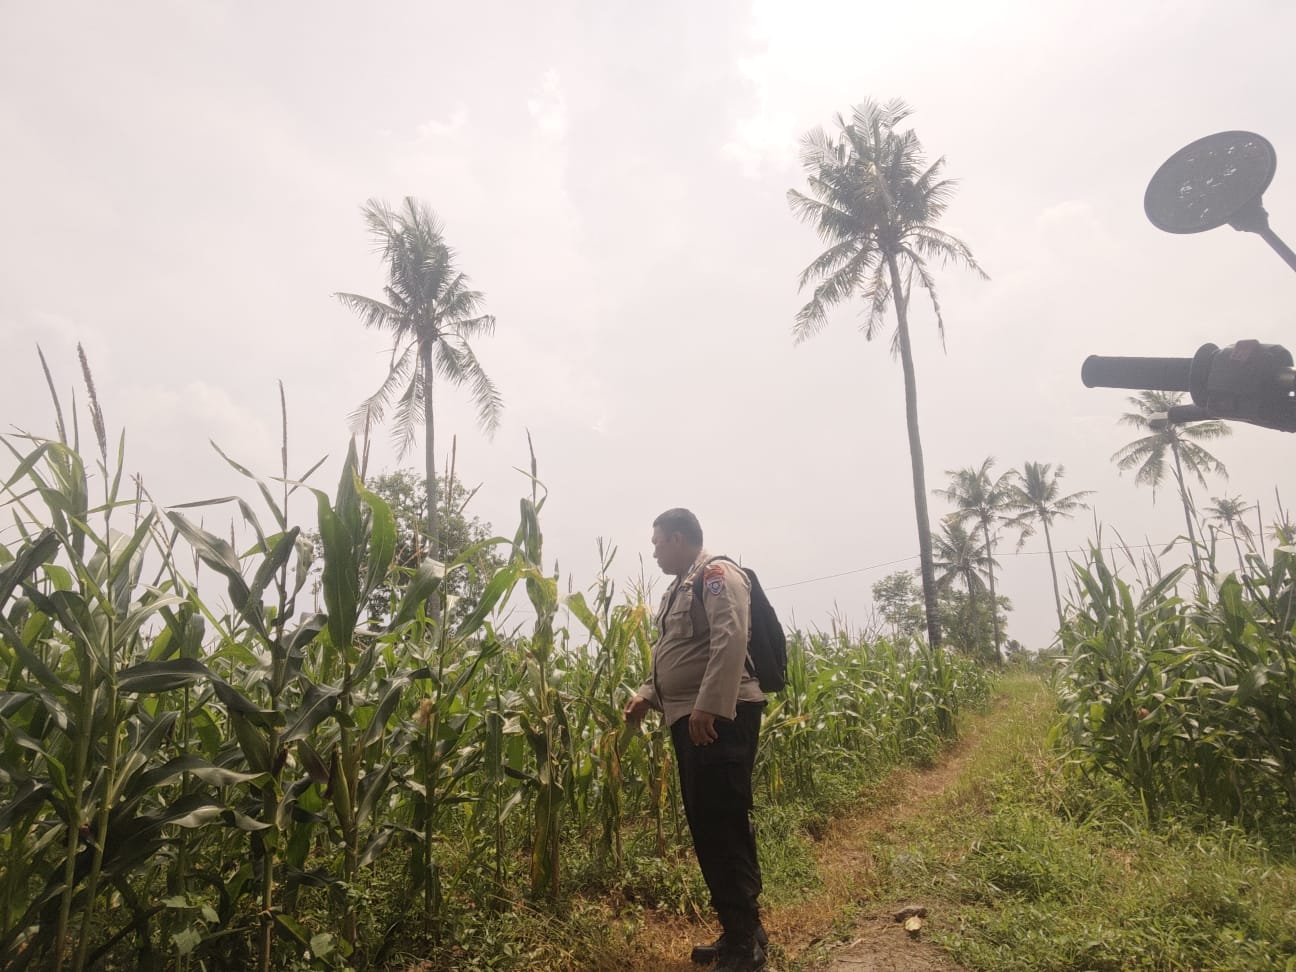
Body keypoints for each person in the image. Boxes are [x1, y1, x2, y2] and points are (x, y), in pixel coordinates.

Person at [624, 508, 768, 972]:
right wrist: (647, 694)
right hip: (693, 716)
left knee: (721, 824)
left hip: (718, 718)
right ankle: (742, 931)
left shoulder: (716, 575)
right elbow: (679, 653)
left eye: (657, 542)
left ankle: (745, 946)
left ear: (678, 538)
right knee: (712, 825)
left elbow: (731, 637)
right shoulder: (679, 588)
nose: (653, 552)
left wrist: (710, 705)